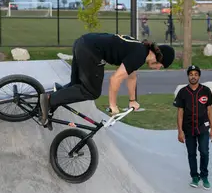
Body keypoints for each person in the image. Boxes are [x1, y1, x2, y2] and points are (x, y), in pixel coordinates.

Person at [40, 32, 175, 130]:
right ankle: (50, 99)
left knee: (77, 86)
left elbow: (132, 77)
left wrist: (132, 100)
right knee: (91, 92)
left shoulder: (140, 49)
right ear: (159, 58)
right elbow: (115, 79)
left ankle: (55, 95)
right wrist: (113, 105)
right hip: (90, 51)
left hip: (83, 43)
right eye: (161, 66)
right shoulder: (139, 55)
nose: (158, 69)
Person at [173, 65, 212, 190]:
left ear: (199, 76)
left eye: (196, 74)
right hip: (188, 128)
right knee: (191, 154)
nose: (193, 76)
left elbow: (210, 111)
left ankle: (204, 176)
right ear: (188, 76)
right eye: (191, 74)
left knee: (204, 152)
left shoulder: (205, 91)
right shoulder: (183, 92)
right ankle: (195, 177)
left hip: (203, 127)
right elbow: (180, 113)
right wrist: (180, 131)